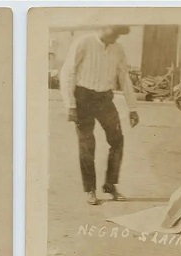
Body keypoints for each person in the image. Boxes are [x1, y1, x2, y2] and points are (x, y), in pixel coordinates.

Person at [60, 25, 140, 206]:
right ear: (104, 27)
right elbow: (68, 73)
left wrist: (132, 108)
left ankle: (110, 185)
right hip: (83, 98)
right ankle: (90, 189)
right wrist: (70, 105)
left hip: (105, 99)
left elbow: (124, 77)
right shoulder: (83, 42)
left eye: (119, 35)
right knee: (87, 145)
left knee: (117, 140)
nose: (116, 38)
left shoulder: (118, 49)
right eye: (114, 33)